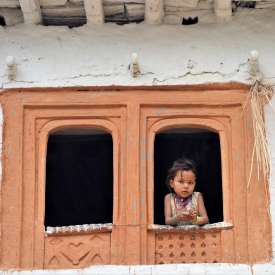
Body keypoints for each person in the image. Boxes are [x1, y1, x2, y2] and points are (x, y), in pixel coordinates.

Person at [164, 157, 209, 226]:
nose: (186, 186)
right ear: (172, 183)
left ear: (195, 184)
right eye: (181, 182)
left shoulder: (197, 197)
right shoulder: (169, 198)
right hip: (175, 236)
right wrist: (177, 218)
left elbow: (205, 219)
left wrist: (195, 219)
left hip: (196, 235)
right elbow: (167, 221)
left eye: (190, 182)